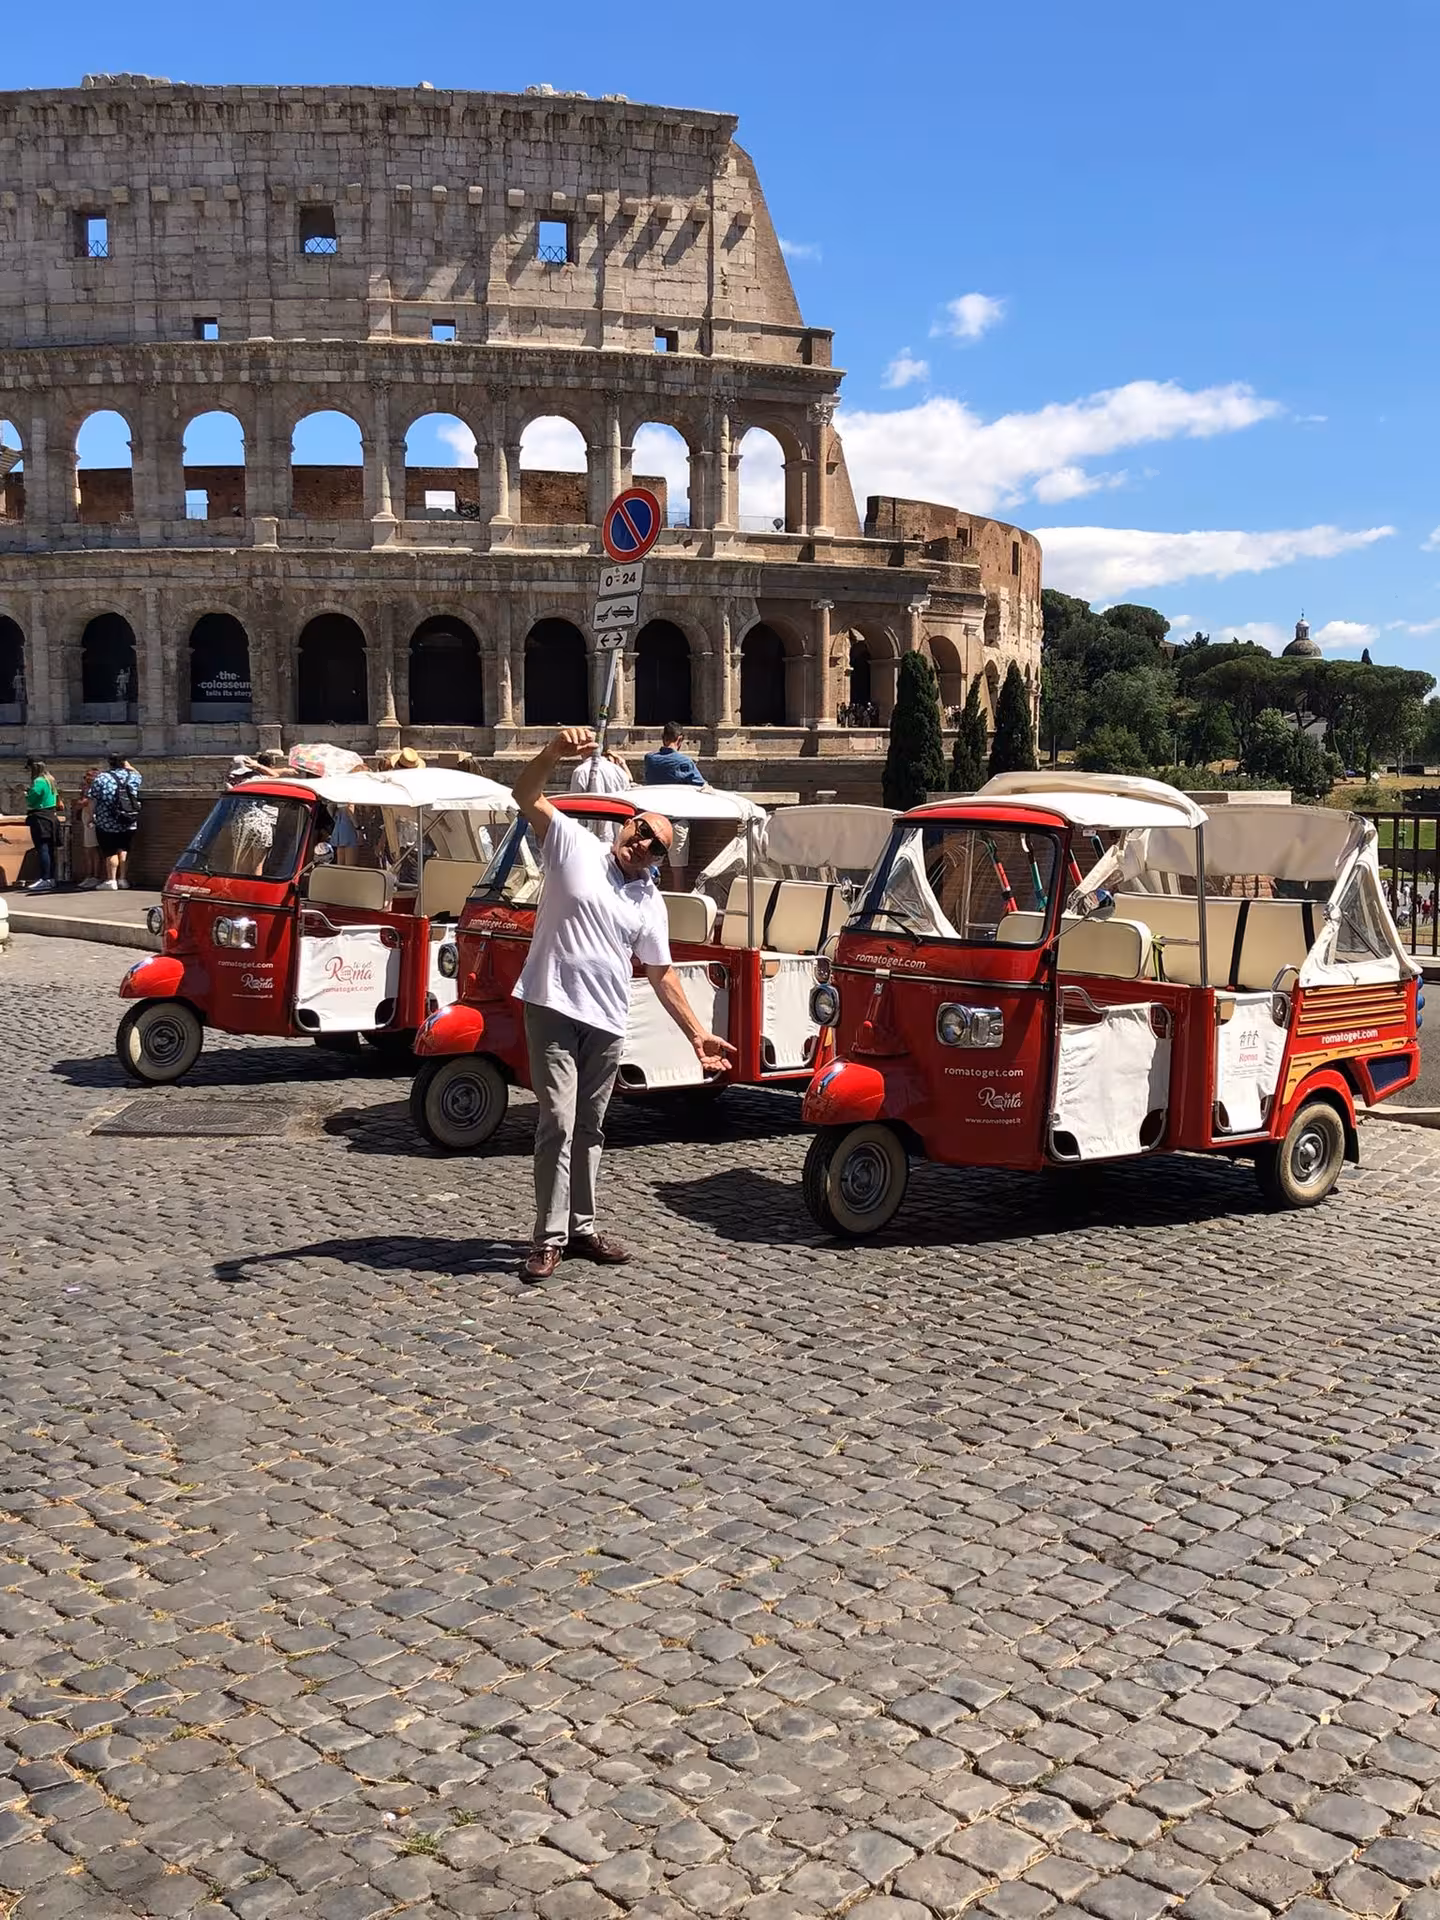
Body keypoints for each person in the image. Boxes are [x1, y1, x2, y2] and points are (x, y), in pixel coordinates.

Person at [512, 727, 736, 1283]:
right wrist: (552, 754)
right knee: (558, 1120)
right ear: (626, 825)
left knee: (590, 1125)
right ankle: (548, 1235)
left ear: (659, 859)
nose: (640, 843)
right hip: (553, 1005)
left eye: (654, 845)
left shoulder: (649, 900)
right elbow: (525, 796)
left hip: (608, 1018)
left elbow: (661, 974)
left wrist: (697, 1035)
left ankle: (582, 1228)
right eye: (639, 831)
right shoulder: (573, 843)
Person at [88, 752, 142, 889]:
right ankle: (123, 879)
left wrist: (91, 816)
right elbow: (139, 775)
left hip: (107, 820)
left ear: (109, 763)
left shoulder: (102, 778)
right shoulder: (132, 776)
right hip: (128, 819)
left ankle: (111, 880)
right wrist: (129, 766)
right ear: (124, 762)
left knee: (110, 850)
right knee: (124, 848)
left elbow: (93, 799)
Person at [23, 758, 60, 893]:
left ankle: (45, 878)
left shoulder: (38, 782)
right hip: (51, 815)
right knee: (49, 848)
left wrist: (26, 794)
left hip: (39, 816)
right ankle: (50, 877)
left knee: (42, 848)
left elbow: (32, 799)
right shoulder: (51, 780)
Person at [643, 722, 705, 788]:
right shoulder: (685, 762)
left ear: (663, 738)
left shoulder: (649, 759)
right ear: (680, 739)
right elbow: (702, 786)